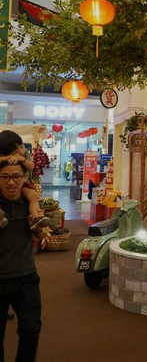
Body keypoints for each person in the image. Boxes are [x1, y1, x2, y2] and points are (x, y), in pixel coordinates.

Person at [0, 140, 43, 361]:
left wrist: (40, 229)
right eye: (5, 177)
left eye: (16, 177)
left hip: (25, 278)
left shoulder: (28, 197)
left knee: (31, 330)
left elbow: (43, 235)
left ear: (23, 178)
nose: (11, 182)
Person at [0, 132, 48, 234]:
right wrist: (2, 159)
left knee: (32, 195)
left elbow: (31, 167)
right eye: (16, 152)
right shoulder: (2, 155)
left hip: (24, 185)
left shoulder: (24, 154)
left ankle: (36, 218)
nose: (21, 151)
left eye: (21, 147)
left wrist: (21, 158)